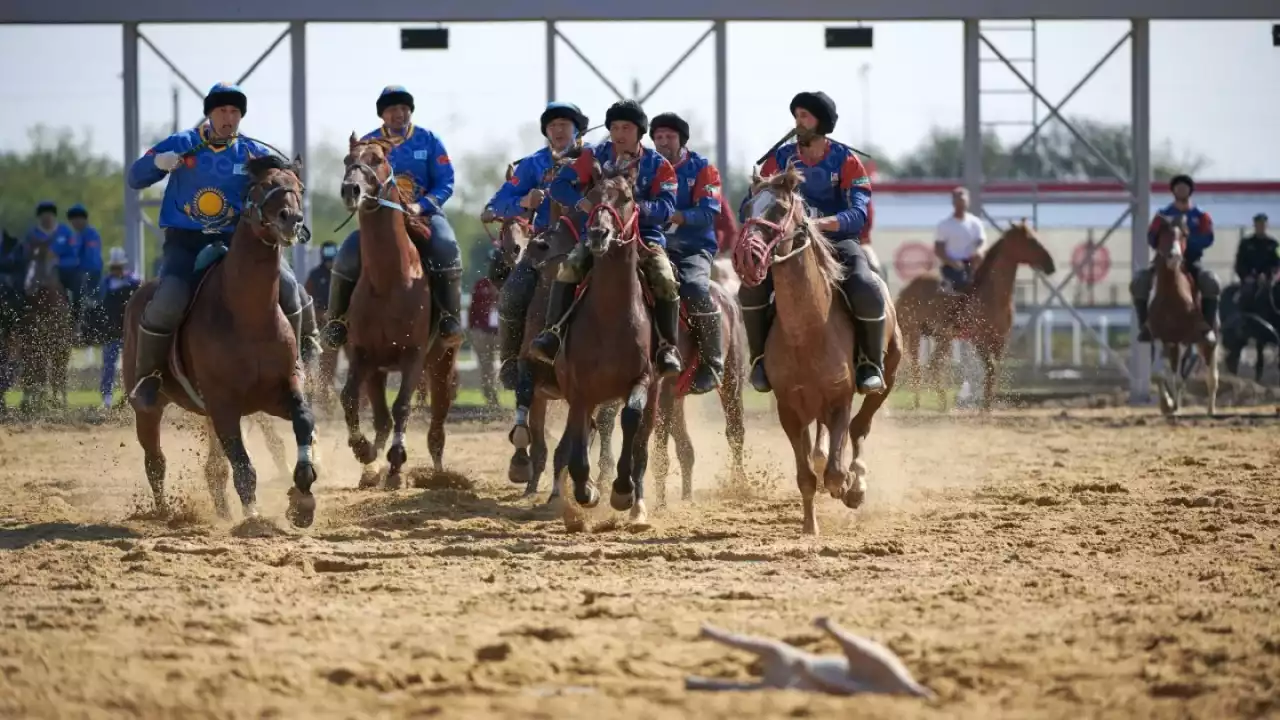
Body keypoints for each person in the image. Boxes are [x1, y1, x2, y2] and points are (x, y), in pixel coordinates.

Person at [125, 82, 316, 409]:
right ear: (210, 114)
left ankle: (303, 351)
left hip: (236, 241)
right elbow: (135, 178)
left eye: (234, 112)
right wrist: (159, 164)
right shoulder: (182, 144)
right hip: (186, 242)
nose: (229, 118)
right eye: (222, 111)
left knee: (289, 284)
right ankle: (149, 377)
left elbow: (287, 183)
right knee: (169, 299)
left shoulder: (252, 153)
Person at [737, 91, 886, 396]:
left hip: (838, 243)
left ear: (822, 122)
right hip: (787, 245)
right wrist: (755, 204)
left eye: (805, 116)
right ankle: (760, 362)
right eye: (796, 116)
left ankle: (870, 364)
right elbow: (748, 205)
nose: (798, 122)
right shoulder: (779, 159)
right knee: (750, 288)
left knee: (866, 286)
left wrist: (817, 225)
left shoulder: (846, 161)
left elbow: (859, 213)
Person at [528, 99, 682, 376]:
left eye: (626, 127)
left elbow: (668, 207)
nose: (619, 134)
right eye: (614, 128)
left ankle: (667, 348)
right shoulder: (594, 156)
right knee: (568, 268)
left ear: (639, 132)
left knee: (666, 278)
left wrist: (633, 207)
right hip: (598, 234)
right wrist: (582, 203)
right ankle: (552, 335)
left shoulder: (659, 165)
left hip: (644, 237)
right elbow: (560, 186)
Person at [323, 85, 463, 350]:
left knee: (446, 245)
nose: (399, 114)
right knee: (347, 253)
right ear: (382, 115)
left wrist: (421, 206)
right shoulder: (367, 145)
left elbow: (446, 181)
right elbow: (356, 182)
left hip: (425, 216)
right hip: (379, 222)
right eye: (391, 109)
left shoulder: (429, 140)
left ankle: (449, 319)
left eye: (403, 108)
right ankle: (337, 322)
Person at [485, 101, 589, 389]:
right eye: (552, 126)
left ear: (577, 129)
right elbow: (497, 203)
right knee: (512, 293)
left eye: (564, 125)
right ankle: (510, 362)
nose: (557, 130)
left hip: (589, 242)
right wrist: (523, 202)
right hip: (544, 244)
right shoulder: (532, 164)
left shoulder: (595, 158)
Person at [650, 111, 725, 394]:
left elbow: (709, 212)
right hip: (654, 246)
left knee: (694, 288)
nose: (663, 142)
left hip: (694, 249)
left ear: (681, 140)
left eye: (669, 137)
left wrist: (678, 217)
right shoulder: (646, 166)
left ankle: (712, 363)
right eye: (658, 137)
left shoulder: (704, 169)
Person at [1131, 174, 1221, 343]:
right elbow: (1151, 237)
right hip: (1164, 260)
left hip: (1191, 260)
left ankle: (1207, 327)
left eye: (1185, 187)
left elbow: (1208, 238)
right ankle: (1145, 326)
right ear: (1173, 191)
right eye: (1178, 187)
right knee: (1140, 281)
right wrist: (1165, 241)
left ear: (1190, 191)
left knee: (1210, 282)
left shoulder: (1201, 216)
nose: (1181, 189)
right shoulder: (1162, 215)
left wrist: (1186, 240)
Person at [96, 248, 141, 409]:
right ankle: (107, 397)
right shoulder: (105, 283)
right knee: (109, 365)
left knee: (135, 365)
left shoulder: (134, 281)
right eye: (114, 268)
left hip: (131, 332)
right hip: (111, 331)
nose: (116, 271)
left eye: (118, 267)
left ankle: (133, 395)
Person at [934, 187, 986, 293]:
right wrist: (953, 262)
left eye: (963, 200)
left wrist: (979, 251)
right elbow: (939, 249)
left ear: (968, 202)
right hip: (952, 267)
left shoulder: (975, 223)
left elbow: (981, 242)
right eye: (958, 200)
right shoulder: (945, 225)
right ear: (953, 202)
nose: (961, 203)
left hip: (972, 265)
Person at [26, 201, 78, 302]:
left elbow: (74, 256)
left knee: (76, 283)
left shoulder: (65, 232)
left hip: (62, 268)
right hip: (37, 268)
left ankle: (76, 309)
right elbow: (27, 253)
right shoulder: (32, 234)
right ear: (39, 217)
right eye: (44, 216)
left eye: (50, 215)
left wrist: (57, 261)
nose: (47, 218)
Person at [468, 265, 502, 407]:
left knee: (497, 364)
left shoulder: (505, 283)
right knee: (486, 365)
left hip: (498, 331)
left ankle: (494, 392)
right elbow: (472, 307)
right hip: (481, 330)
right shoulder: (481, 284)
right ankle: (490, 394)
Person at [68, 204, 103, 332]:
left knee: (79, 284)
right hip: (76, 270)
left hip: (91, 272)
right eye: (73, 219)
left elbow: (91, 257)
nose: (75, 222)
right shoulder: (73, 236)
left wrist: (76, 265)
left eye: (78, 219)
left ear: (85, 220)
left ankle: (78, 322)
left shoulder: (92, 235)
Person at [1234, 213, 1279, 284]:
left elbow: (1277, 263)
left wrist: (1269, 275)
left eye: (1263, 224)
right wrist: (1246, 276)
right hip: (1250, 280)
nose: (1260, 227)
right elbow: (1239, 263)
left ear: (1266, 225)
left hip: (1269, 280)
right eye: (1258, 224)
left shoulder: (1274, 244)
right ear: (1254, 225)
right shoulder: (1245, 243)